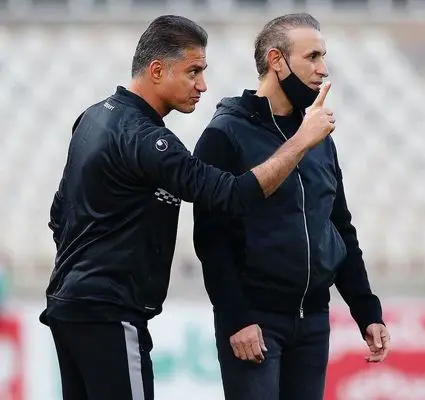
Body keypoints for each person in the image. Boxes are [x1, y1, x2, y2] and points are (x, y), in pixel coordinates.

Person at [39, 15, 334, 400]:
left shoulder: (93, 117)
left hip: (70, 307)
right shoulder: (147, 140)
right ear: (157, 70)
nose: (202, 85)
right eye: (193, 71)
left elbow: (58, 214)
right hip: (109, 313)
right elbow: (231, 194)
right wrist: (301, 141)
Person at [193, 13, 390, 400]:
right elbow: (211, 238)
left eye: (323, 57)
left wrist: (366, 309)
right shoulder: (225, 134)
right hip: (255, 322)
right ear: (276, 61)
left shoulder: (320, 135)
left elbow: (338, 226)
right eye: (312, 57)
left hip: (313, 320)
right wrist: (237, 318)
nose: (323, 69)